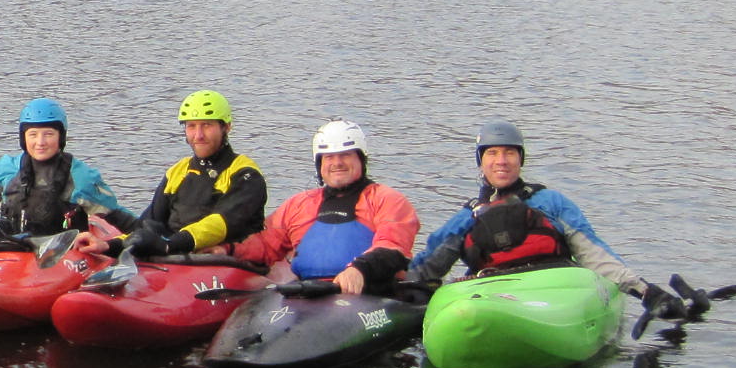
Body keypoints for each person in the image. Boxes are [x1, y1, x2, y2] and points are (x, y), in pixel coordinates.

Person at [411, 119, 677, 309]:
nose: (501, 161)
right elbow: (426, 268)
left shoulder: (550, 202)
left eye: (509, 153)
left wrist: (646, 292)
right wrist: (395, 285)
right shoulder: (467, 217)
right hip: (491, 295)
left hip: (552, 290)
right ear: (481, 161)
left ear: (520, 159)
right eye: (492, 153)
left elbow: (593, 254)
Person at [232, 120, 418, 295]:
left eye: (345, 155)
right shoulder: (299, 204)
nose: (337, 163)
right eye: (329, 157)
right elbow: (264, 244)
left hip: (369, 293)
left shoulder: (387, 199)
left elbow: (393, 246)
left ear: (361, 159)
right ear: (319, 164)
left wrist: (360, 269)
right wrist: (228, 249)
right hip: (309, 292)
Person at [114, 89, 268, 255]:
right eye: (191, 126)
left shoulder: (246, 174)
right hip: (176, 252)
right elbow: (147, 224)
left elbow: (221, 223)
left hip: (226, 257)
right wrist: (110, 246)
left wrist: (169, 245)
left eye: (207, 125)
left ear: (226, 127)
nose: (198, 135)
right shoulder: (177, 171)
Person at [0, 97, 134, 249]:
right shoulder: (4, 169)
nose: (40, 142)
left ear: (60, 137)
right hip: (14, 249)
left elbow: (123, 219)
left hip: (64, 253)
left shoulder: (82, 177)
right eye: (33, 134)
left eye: (48, 134)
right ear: (23, 138)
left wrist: (115, 245)